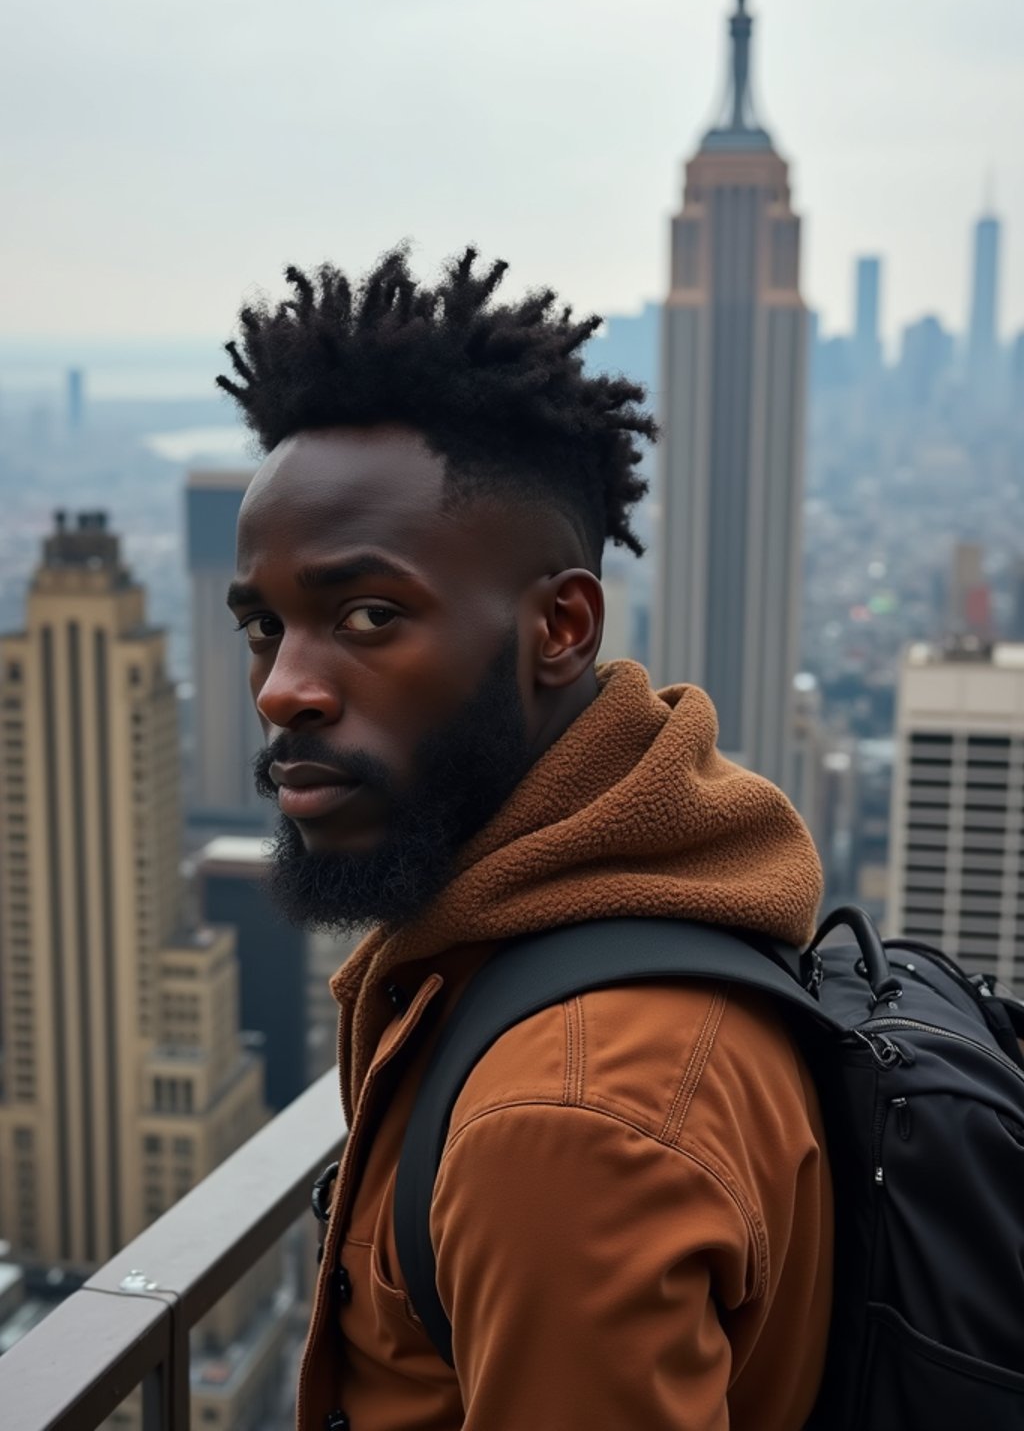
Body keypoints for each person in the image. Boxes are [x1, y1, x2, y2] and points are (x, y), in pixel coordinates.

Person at [217, 244, 833, 1431]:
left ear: (559, 625)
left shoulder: (564, 1119)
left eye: (367, 615)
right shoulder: (640, 903)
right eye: (264, 627)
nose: (282, 687)